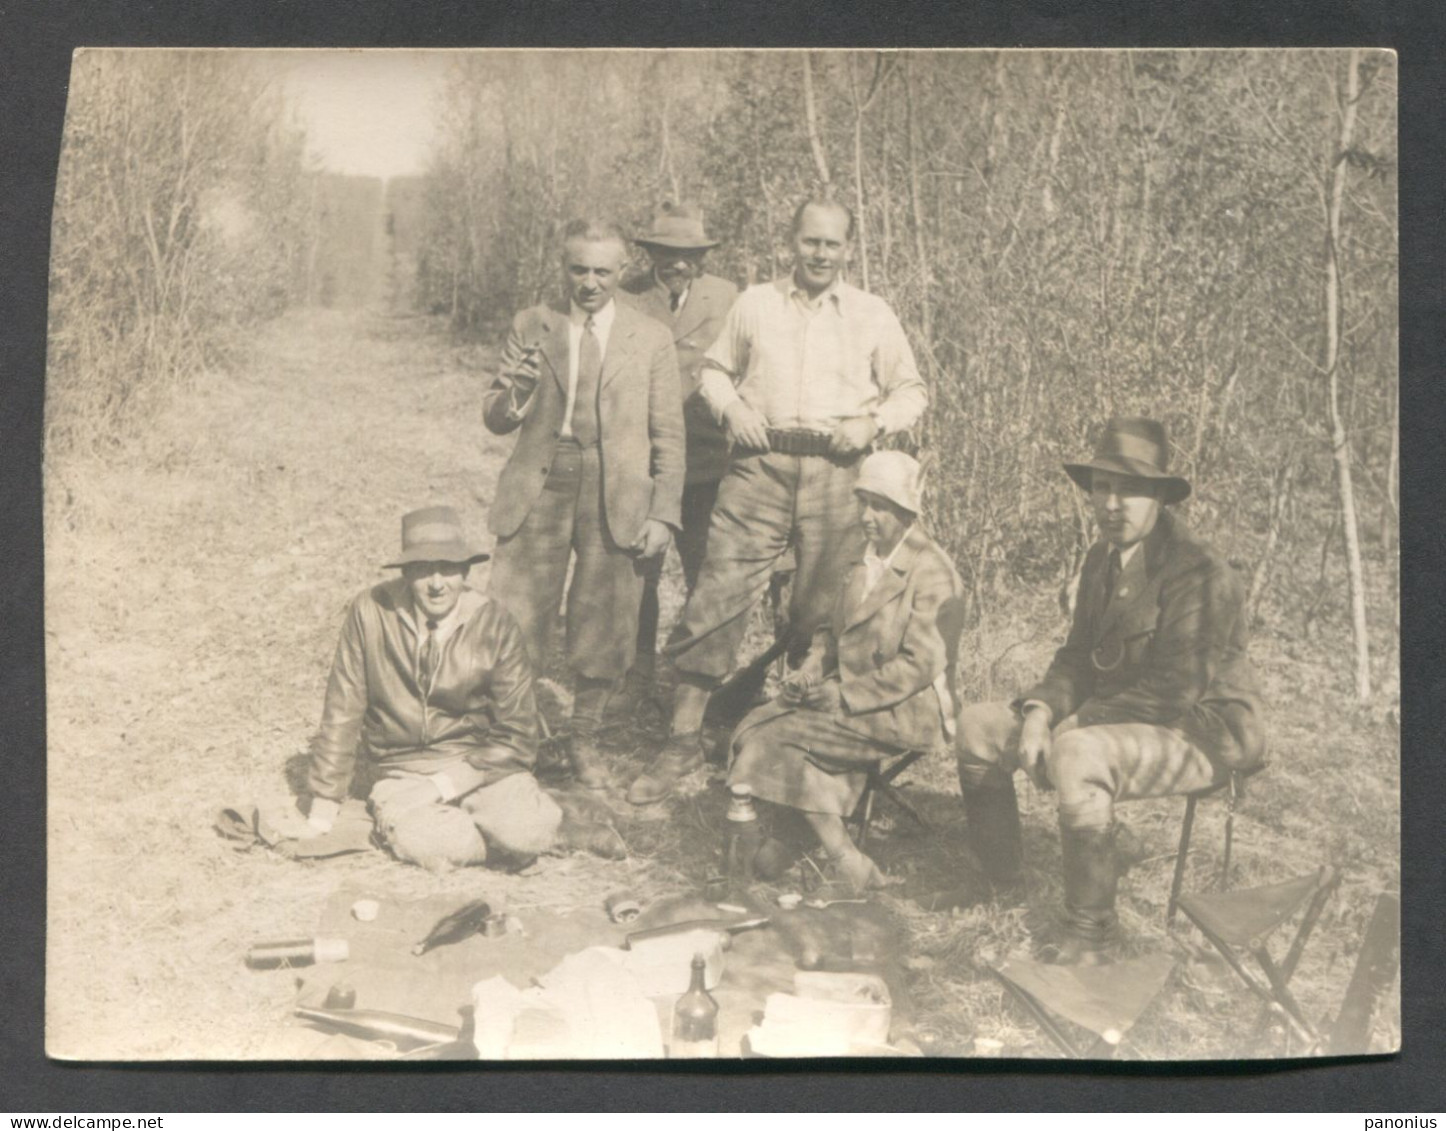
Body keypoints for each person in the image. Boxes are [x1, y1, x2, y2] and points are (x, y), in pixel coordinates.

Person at [628, 195, 929, 806]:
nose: (819, 254)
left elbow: (912, 391)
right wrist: (733, 408)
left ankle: (795, 741)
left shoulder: (871, 314)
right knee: (718, 593)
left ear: (849, 248)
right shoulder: (756, 305)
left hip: (839, 472)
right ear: (790, 243)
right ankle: (683, 739)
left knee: (820, 612)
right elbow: (714, 371)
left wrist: (871, 426)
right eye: (809, 242)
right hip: (759, 467)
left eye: (832, 244)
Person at [955, 417, 1266, 963]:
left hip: (1202, 728)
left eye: (1131, 490)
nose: (1112, 504)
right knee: (979, 726)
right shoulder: (1101, 558)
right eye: (1102, 487)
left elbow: (1174, 689)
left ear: (1160, 498)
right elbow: (1078, 657)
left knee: (1076, 751)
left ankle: (1090, 932)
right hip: (1124, 717)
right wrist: (1039, 711)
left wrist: (1070, 726)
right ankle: (1001, 883)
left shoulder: (1200, 571)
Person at [484, 219, 685, 790]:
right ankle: (516, 739)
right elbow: (495, 415)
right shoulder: (534, 325)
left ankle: (584, 740)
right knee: (516, 614)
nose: (589, 283)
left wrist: (663, 512)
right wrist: (516, 393)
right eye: (579, 269)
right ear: (563, 268)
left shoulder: (649, 336)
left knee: (605, 622)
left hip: (615, 490)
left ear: (622, 272)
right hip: (541, 482)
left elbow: (669, 433)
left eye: (602, 271)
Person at [725, 451, 964, 892]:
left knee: (784, 737)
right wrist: (812, 668)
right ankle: (799, 837)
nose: (867, 516)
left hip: (907, 706)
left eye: (880, 506)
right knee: (758, 723)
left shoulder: (933, 572)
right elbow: (830, 632)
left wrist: (845, 696)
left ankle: (844, 858)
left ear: (906, 511)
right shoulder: (862, 558)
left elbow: (920, 665)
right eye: (863, 503)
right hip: (848, 692)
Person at [300, 506, 563, 872]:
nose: (437, 583)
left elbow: (518, 735)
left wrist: (442, 786)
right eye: (423, 570)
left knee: (527, 832)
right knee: (437, 843)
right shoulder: (370, 611)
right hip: (402, 770)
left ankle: (504, 827)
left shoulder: (495, 622)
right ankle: (487, 834)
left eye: (448, 568)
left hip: (478, 765)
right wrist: (324, 804)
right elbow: (343, 709)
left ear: (466, 571)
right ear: (407, 574)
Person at [620, 203, 739, 699]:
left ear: (702, 258)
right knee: (637, 570)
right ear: (650, 255)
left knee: (706, 569)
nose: (677, 264)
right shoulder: (625, 298)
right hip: (643, 456)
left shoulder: (729, 299)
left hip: (706, 458)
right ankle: (636, 671)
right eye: (666, 254)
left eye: (688, 255)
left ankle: (695, 677)